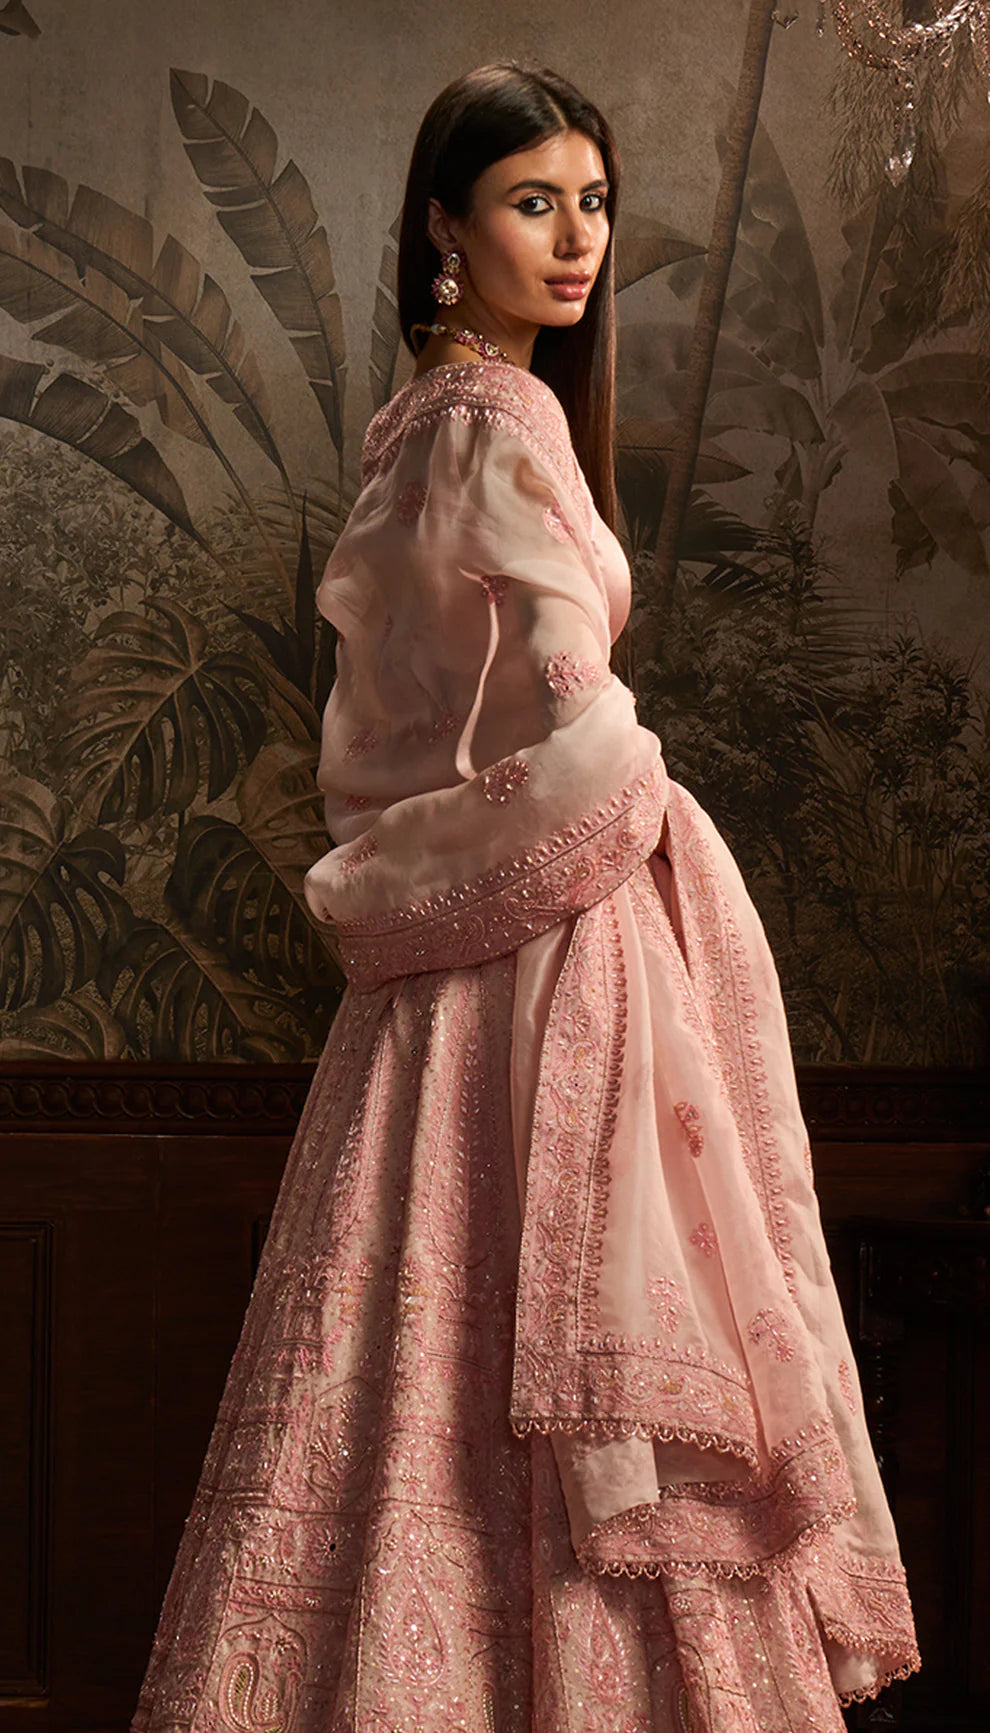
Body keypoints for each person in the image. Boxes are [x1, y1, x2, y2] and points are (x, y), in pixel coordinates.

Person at [132, 61, 919, 1733]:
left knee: (407, 1367)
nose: (576, 240)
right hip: (553, 951)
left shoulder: (413, 422)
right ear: (445, 225)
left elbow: (392, 746)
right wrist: (644, 801)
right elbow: (569, 705)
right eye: (531, 202)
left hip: (440, 988)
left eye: (594, 203)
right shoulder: (497, 420)